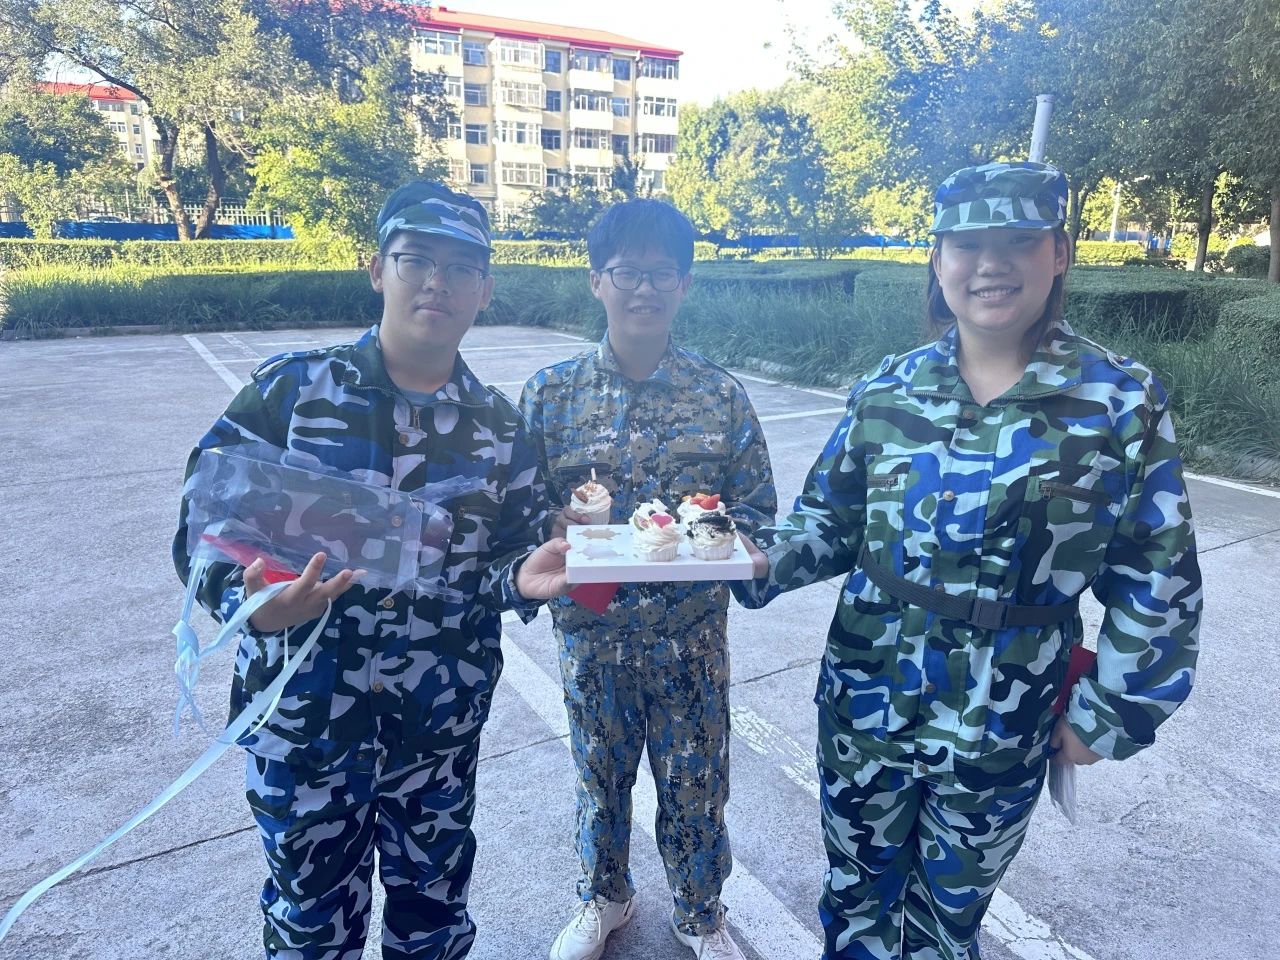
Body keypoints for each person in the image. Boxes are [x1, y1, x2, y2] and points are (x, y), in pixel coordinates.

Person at [734, 161, 1202, 960]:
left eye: (1018, 240)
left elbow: (1157, 578)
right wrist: (754, 560)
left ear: (1059, 252)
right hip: (867, 701)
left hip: (1003, 719)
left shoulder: (1120, 402)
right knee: (854, 902)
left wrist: (1111, 713)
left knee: (947, 923)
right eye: (967, 244)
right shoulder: (889, 390)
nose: (991, 264)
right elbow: (830, 520)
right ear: (938, 258)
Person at [173, 180, 571, 960]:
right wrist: (247, 603)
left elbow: (508, 556)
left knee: (433, 918)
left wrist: (523, 578)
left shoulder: (503, 429)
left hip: (436, 727)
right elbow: (206, 524)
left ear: (485, 289)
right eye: (416, 259)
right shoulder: (292, 391)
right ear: (376, 268)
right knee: (310, 923)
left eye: (461, 268)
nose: (437, 283)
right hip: (307, 725)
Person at [518, 199, 777, 960]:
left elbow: (757, 510)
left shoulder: (719, 396)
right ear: (597, 280)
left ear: (685, 284)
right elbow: (515, 512)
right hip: (591, 636)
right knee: (599, 779)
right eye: (627, 272)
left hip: (690, 639)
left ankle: (700, 912)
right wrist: (554, 524)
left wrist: (737, 543)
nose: (644, 289)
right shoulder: (550, 395)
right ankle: (605, 897)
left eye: (662, 274)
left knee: (697, 784)